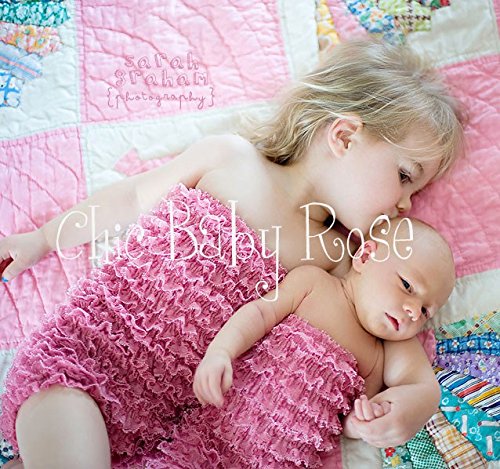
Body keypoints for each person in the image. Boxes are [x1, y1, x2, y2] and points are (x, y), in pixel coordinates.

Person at [0, 38, 464, 468]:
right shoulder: (230, 159)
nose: (406, 205)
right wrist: (43, 239)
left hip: (173, 437)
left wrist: (416, 402)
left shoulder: (340, 261)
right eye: (405, 176)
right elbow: (130, 198)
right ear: (344, 136)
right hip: (87, 362)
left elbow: (397, 341)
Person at [189, 218, 455, 467]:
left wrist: (362, 422)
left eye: (425, 311)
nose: (413, 311)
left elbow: (342, 424)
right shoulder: (313, 283)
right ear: (365, 256)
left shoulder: (376, 358)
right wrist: (222, 351)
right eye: (407, 286)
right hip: (217, 424)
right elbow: (260, 313)